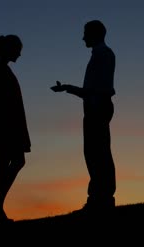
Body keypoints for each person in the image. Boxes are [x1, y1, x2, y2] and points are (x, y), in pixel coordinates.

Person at [51, 20, 116, 214]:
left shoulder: (104, 55)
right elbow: (92, 90)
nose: (83, 38)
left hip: (98, 107)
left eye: (85, 33)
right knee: (94, 153)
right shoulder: (100, 55)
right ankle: (98, 198)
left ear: (95, 34)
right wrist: (68, 88)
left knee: (98, 154)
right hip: (95, 107)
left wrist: (76, 92)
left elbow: (98, 89)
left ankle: (101, 199)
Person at [0, 34, 31, 225]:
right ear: (10, 50)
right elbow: (3, 100)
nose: (20, 53)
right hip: (6, 124)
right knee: (13, 161)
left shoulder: (2, 68)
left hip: (8, 123)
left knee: (6, 163)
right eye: (18, 49)